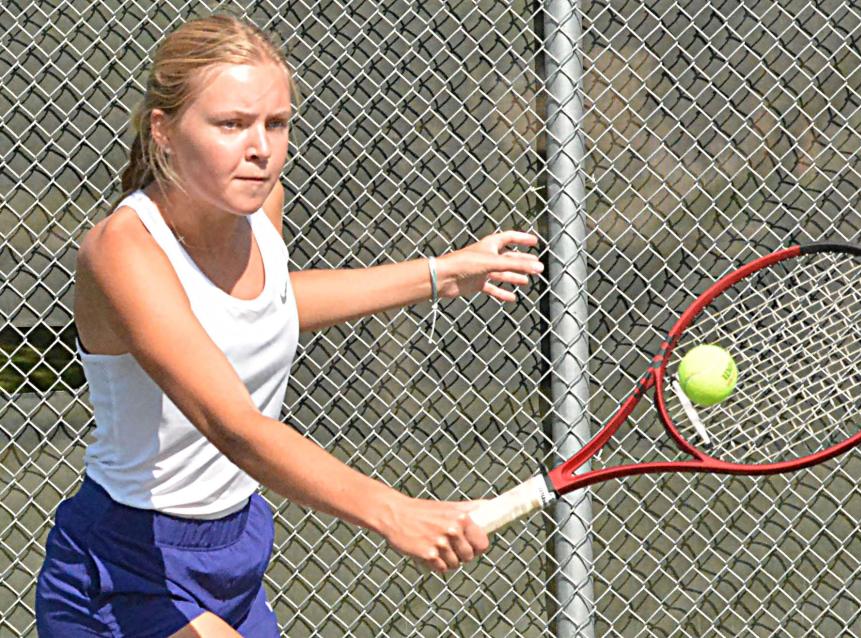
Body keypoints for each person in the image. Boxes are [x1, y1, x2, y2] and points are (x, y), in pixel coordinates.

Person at [35, 13, 544, 638]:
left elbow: (270, 303)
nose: (261, 148)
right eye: (231, 124)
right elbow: (233, 423)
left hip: (238, 544)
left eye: (276, 124)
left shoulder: (254, 204)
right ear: (164, 132)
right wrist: (394, 511)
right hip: (128, 563)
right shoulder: (124, 249)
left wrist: (443, 272)